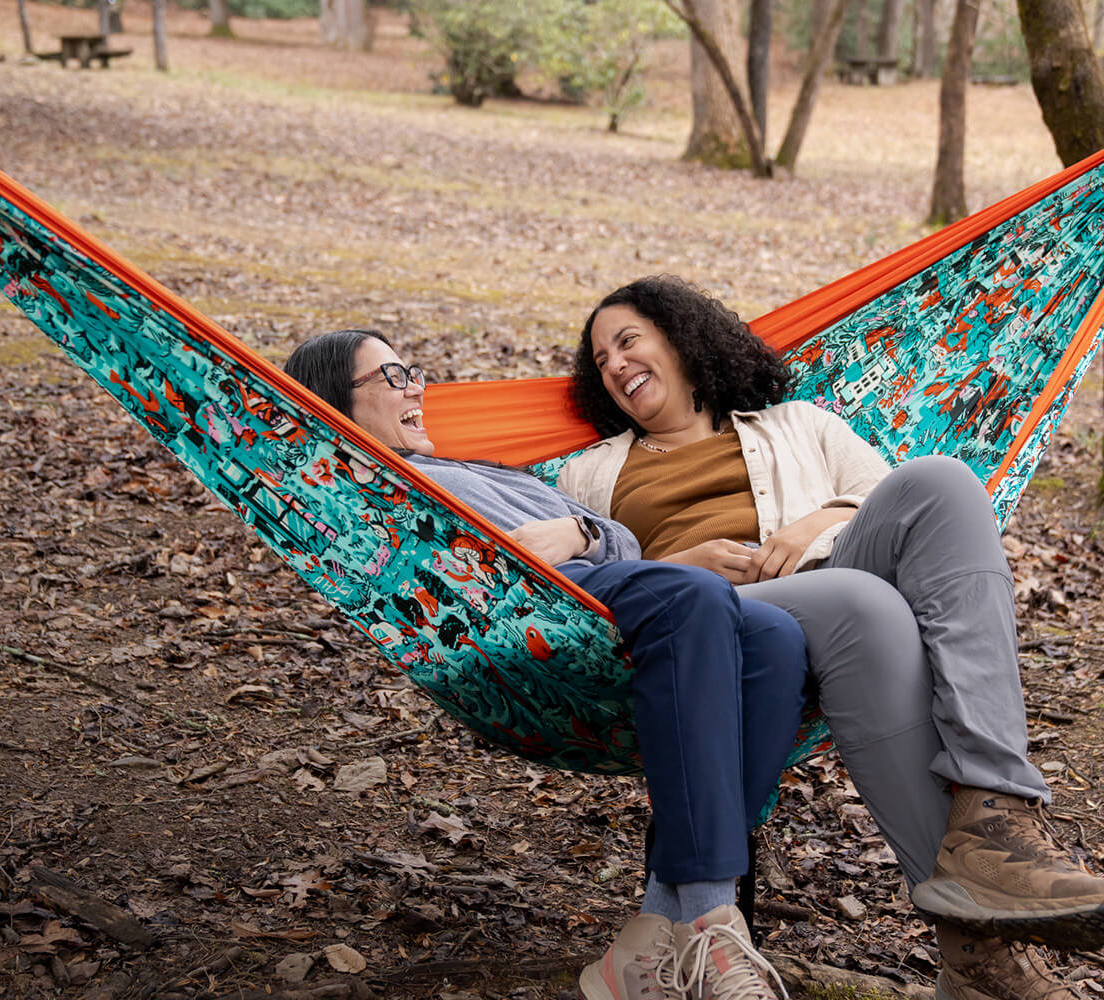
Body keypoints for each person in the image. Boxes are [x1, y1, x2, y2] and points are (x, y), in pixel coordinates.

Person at [558, 276, 1104, 1000]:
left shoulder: (800, 423)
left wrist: (813, 523)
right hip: (721, 618)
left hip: (833, 569)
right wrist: (685, 563)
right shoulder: (591, 471)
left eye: (627, 340)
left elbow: (882, 496)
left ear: (678, 339)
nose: (613, 363)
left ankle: (994, 813)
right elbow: (583, 590)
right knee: (865, 606)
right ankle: (979, 953)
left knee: (945, 482)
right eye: (599, 357)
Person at [285, 328, 812, 1000]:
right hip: (541, 614)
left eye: (413, 370)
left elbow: (624, 540)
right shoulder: (378, 494)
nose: (416, 386)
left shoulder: (486, 469)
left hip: (599, 589)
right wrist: (579, 550)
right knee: (698, 593)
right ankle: (711, 919)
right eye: (391, 377)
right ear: (334, 405)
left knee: (773, 633)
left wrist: (582, 531)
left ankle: (654, 931)